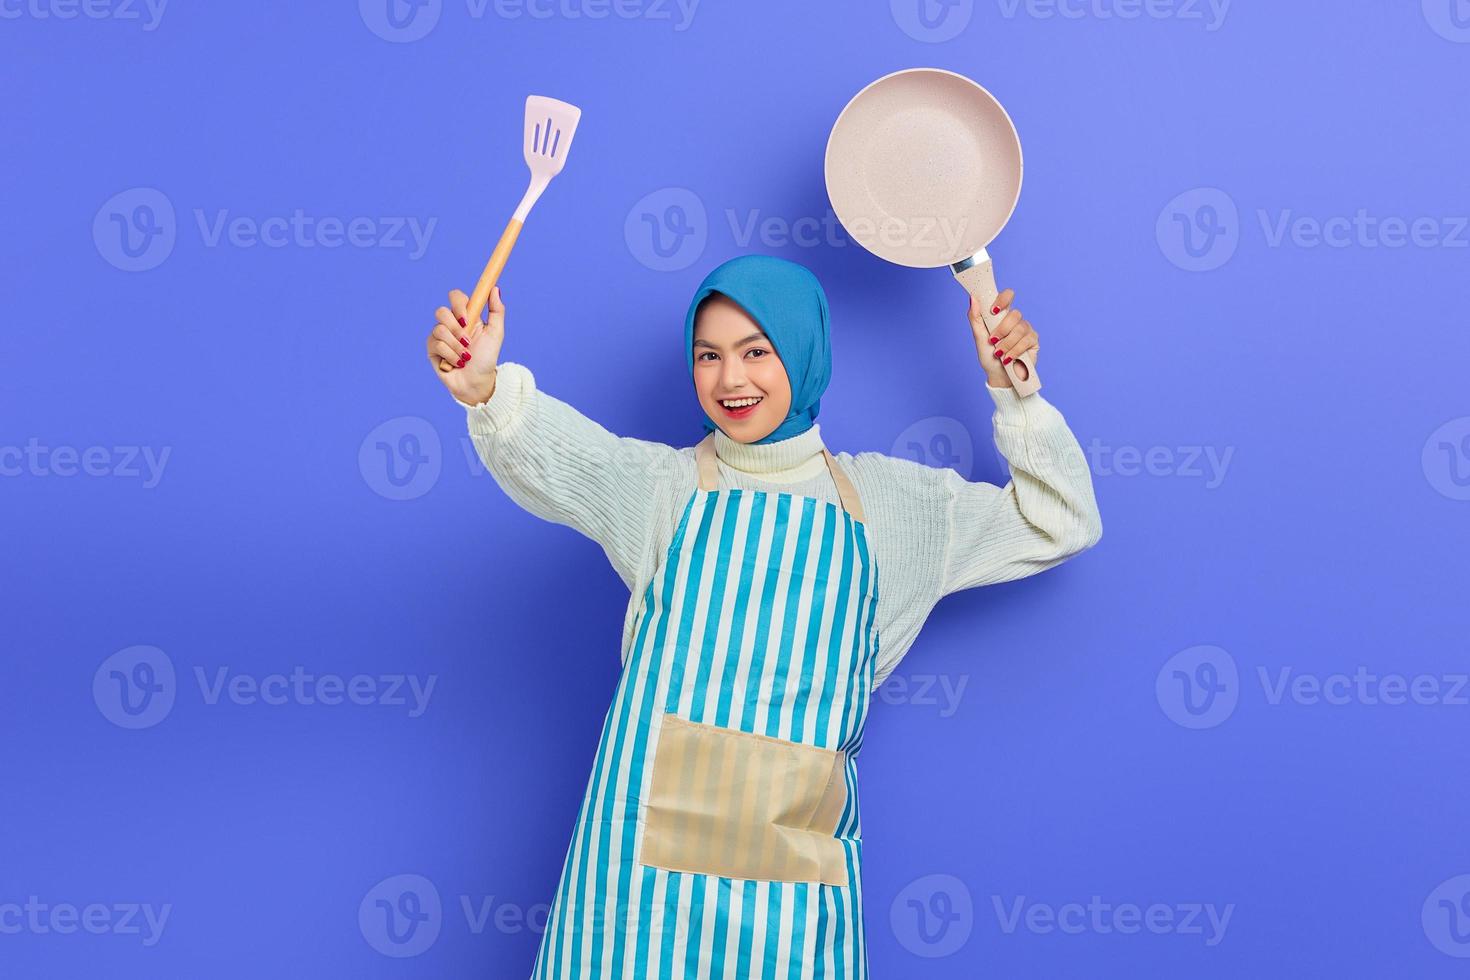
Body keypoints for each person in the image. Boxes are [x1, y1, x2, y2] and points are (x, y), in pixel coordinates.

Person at [425, 254, 1102, 978]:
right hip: (636, 888)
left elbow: (1061, 519)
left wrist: (1015, 391)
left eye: (757, 352)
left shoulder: (897, 508)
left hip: (790, 894)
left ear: (805, 353)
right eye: (708, 356)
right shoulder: (663, 489)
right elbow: (556, 449)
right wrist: (484, 388)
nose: (731, 380)